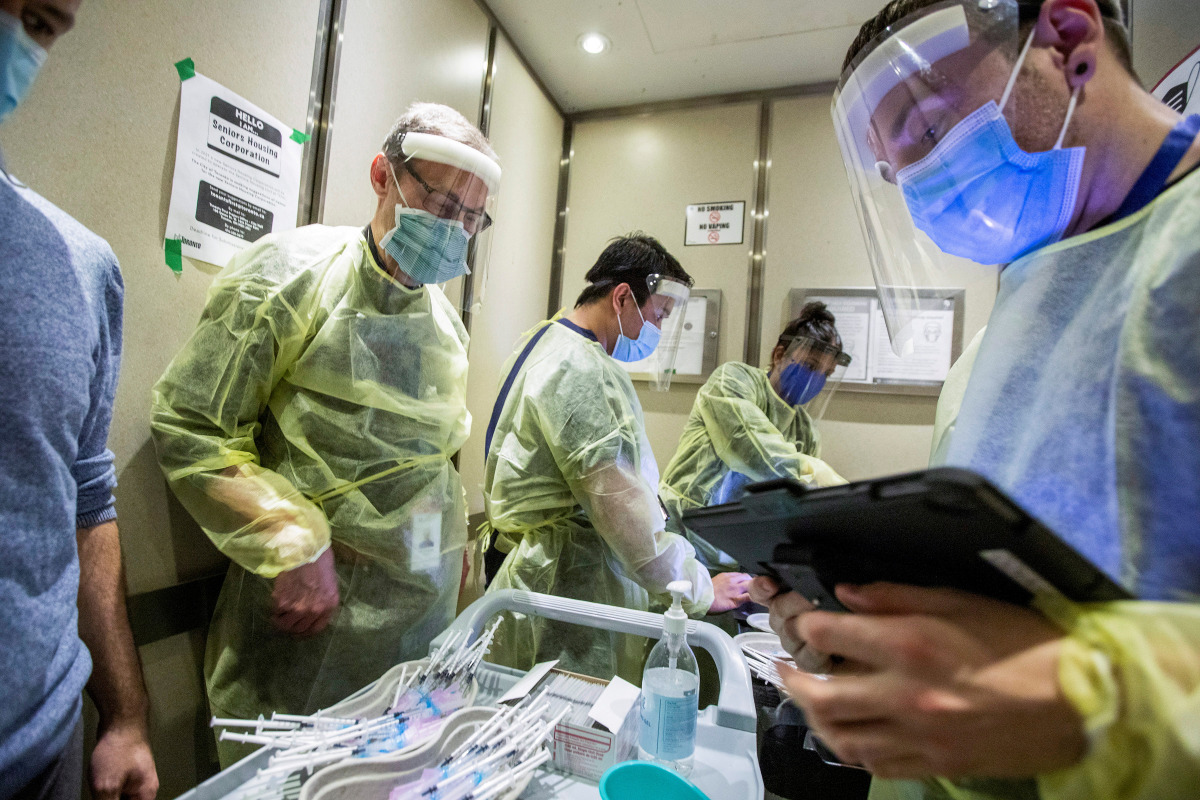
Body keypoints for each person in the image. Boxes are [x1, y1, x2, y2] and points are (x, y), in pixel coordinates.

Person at [752, 1, 1200, 798]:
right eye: (901, 173)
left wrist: (1088, 704)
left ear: (1065, 37)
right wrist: (874, 647)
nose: (925, 187)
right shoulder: (1007, 328)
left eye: (927, 133)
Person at [151, 103, 501, 767]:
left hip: (417, 635)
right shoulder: (292, 275)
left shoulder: (444, 329)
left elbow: (427, 460)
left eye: (471, 218)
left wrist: (451, 547)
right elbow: (192, 425)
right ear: (382, 176)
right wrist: (291, 537)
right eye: (441, 201)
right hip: (307, 630)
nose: (454, 230)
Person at [0, 2, 159, 799]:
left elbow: (86, 500)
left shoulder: (76, 265)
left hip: (41, 745)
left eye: (39, 21)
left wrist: (125, 714)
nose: (17, 35)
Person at [482, 234, 751, 681]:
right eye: (659, 314)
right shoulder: (583, 370)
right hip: (567, 590)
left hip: (531, 576)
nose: (660, 330)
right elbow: (628, 523)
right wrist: (701, 588)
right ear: (623, 297)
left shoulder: (543, 340)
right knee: (573, 733)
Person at [660, 301, 849, 571]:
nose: (815, 379)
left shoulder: (805, 431)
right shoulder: (733, 381)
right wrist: (807, 467)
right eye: (809, 366)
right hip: (682, 538)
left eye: (825, 374)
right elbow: (749, 445)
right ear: (779, 354)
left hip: (742, 556)